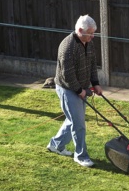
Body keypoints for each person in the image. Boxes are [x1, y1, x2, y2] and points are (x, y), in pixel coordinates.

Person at [47, 14, 103, 167]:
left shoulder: (88, 43)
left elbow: (92, 64)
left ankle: (56, 145)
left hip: (81, 86)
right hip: (67, 88)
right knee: (79, 124)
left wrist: (96, 83)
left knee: (73, 119)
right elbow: (67, 74)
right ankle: (81, 156)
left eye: (93, 33)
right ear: (80, 30)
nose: (92, 36)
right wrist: (80, 91)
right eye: (90, 33)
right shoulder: (68, 47)